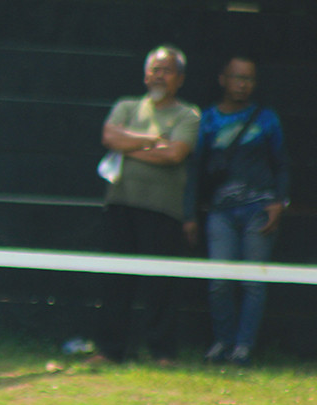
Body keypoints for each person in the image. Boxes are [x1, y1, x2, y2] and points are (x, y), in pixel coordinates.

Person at [94, 45, 201, 366]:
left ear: (180, 79)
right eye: (154, 69)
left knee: (161, 285)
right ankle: (110, 351)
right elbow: (110, 137)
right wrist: (152, 141)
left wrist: (131, 146)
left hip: (163, 212)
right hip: (120, 205)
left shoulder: (188, 115)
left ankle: (161, 353)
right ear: (144, 74)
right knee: (115, 281)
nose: (159, 75)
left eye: (166, 70)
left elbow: (175, 154)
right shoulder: (125, 106)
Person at [183, 55, 290, 366]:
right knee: (219, 280)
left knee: (253, 281)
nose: (242, 84)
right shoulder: (208, 120)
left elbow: (282, 164)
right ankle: (223, 341)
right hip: (220, 211)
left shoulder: (267, 119)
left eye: (249, 79)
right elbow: (195, 169)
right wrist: (189, 215)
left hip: (259, 208)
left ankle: (244, 346)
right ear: (223, 79)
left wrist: (279, 202)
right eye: (236, 77)